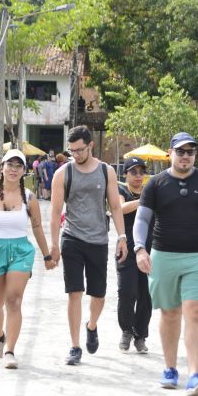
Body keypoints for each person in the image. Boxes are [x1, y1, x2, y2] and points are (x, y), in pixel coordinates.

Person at [133, 132, 198, 396]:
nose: (186, 156)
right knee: (170, 313)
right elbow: (142, 220)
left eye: (191, 152)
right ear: (170, 153)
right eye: (180, 151)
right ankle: (170, 368)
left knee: (195, 312)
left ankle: (195, 374)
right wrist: (140, 248)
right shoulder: (156, 184)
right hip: (164, 256)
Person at [49, 125, 128, 366]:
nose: (75, 155)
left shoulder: (106, 172)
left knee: (99, 294)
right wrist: (54, 244)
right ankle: (75, 346)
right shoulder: (63, 174)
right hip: (72, 237)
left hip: (98, 240)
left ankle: (91, 326)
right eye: (71, 151)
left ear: (90, 146)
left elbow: (115, 207)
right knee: (74, 292)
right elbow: (54, 212)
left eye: (80, 150)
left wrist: (122, 237)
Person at [0, 149, 56, 368]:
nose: (13, 170)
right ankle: (0, 336)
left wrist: (47, 256)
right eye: (10, 165)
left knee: (14, 300)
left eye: (19, 166)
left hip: (20, 251)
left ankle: (10, 350)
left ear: (24, 171)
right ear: (2, 167)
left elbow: (37, 228)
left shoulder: (29, 198)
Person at [116, 156, 152, 353]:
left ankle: (141, 335)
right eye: (133, 172)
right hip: (126, 249)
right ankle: (126, 331)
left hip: (149, 249)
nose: (138, 176)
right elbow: (120, 209)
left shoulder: (150, 190)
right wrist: (144, 201)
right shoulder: (121, 190)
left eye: (141, 172)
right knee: (127, 292)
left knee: (146, 295)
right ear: (126, 174)